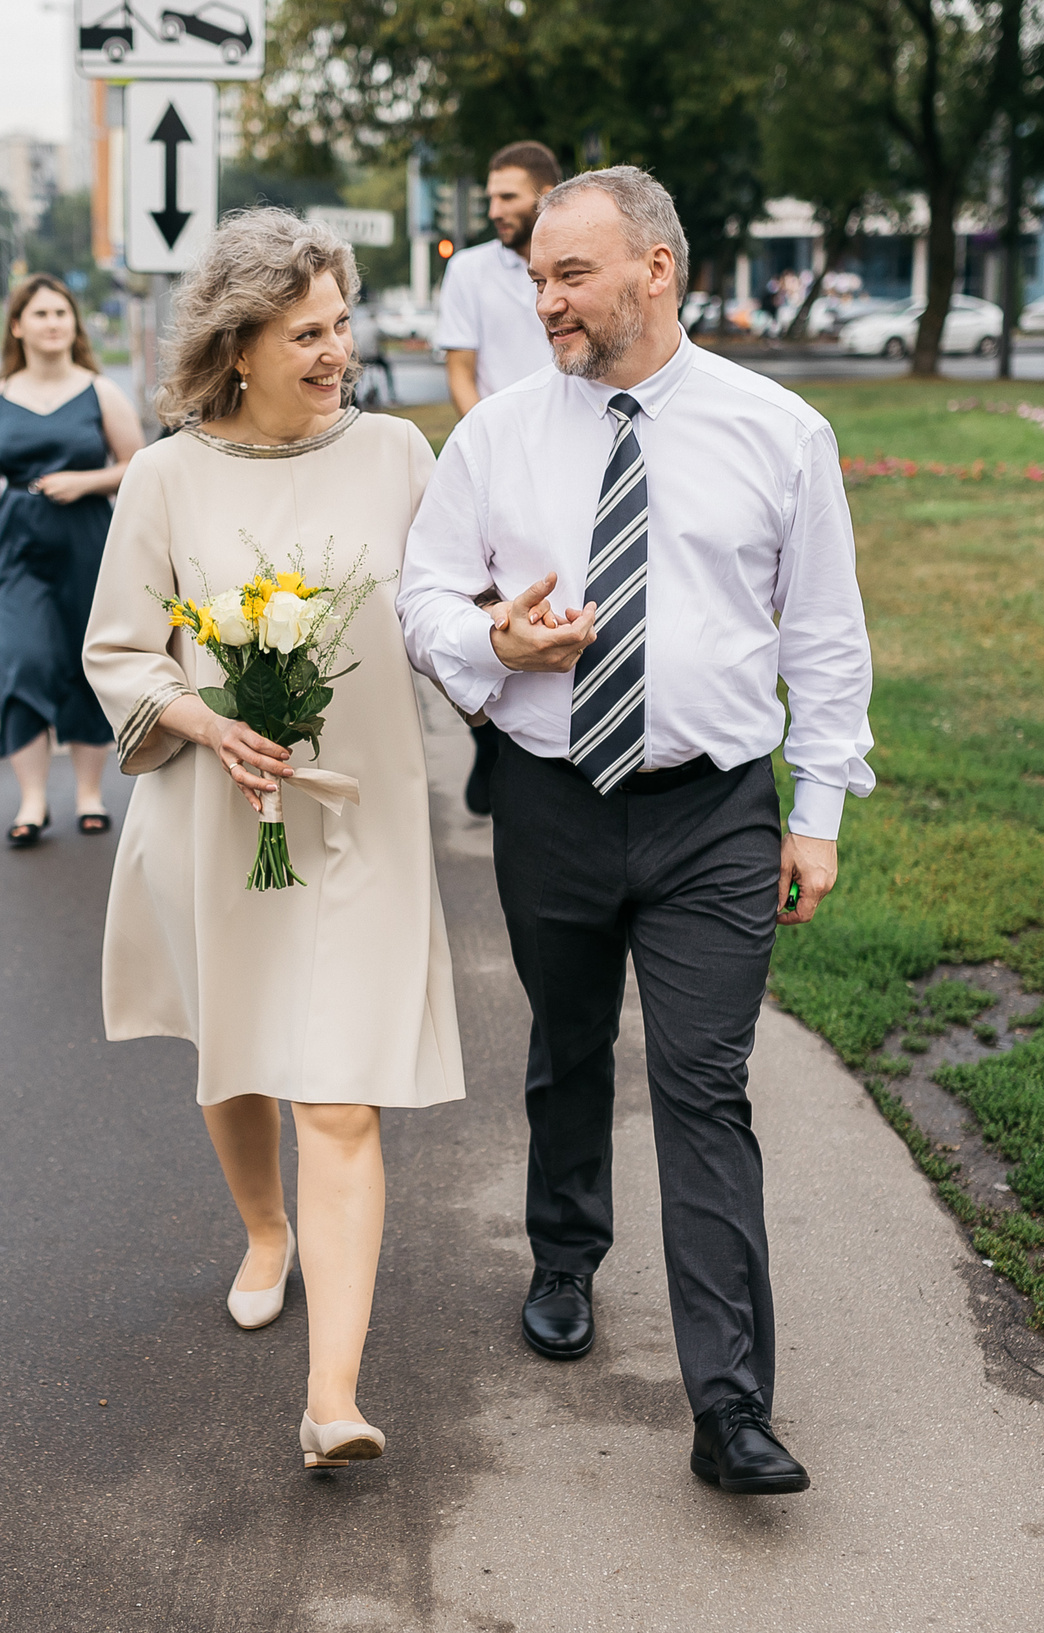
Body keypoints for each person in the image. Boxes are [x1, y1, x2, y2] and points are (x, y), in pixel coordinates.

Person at [398, 166, 875, 1497]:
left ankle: (730, 1403)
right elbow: (423, 590)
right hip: (550, 797)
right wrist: (493, 639)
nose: (541, 297)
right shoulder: (496, 435)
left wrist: (819, 812)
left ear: (653, 269)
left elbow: (826, 638)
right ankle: (565, 1252)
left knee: (703, 1086)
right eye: (536, 275)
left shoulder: (778, 433)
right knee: (565, 1044)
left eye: (569, 275)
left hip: (713, 810)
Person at [82, 209, 462, 1470]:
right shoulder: (167, 476)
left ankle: (331, 1400)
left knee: (339, 1097)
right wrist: (203, 718)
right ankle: (262, 1231)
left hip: (359, 827)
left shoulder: (400, 455)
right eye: (307, 331)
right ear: (238, 345)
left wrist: (501, 638)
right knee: (238, 1059)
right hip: (213, 819)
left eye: (342, 323)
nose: (336, 350)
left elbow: (445, 610)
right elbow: (121, 652)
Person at [0, 273, 146, 846]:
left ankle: (89, 795)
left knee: (85, 664)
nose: (53, 323)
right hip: (15, 548)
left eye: (61, 313)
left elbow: (140, 465)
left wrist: (87, 481)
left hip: (87, 542)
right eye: (40, 314)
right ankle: (32, 801)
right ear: (17, 326)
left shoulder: (99, 392)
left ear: (74, 325)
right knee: (21, 661)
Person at [436, 140, 561, 819]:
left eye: (508, 197)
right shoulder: (471, 271)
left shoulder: (575, 266)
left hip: (569, 449)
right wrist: (488, 437)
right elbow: (461, 366)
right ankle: (486, 729)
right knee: (470, 602)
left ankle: (533, 737)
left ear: (546, 192)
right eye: (490, 198)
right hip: (495, 451)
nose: (495, 210)